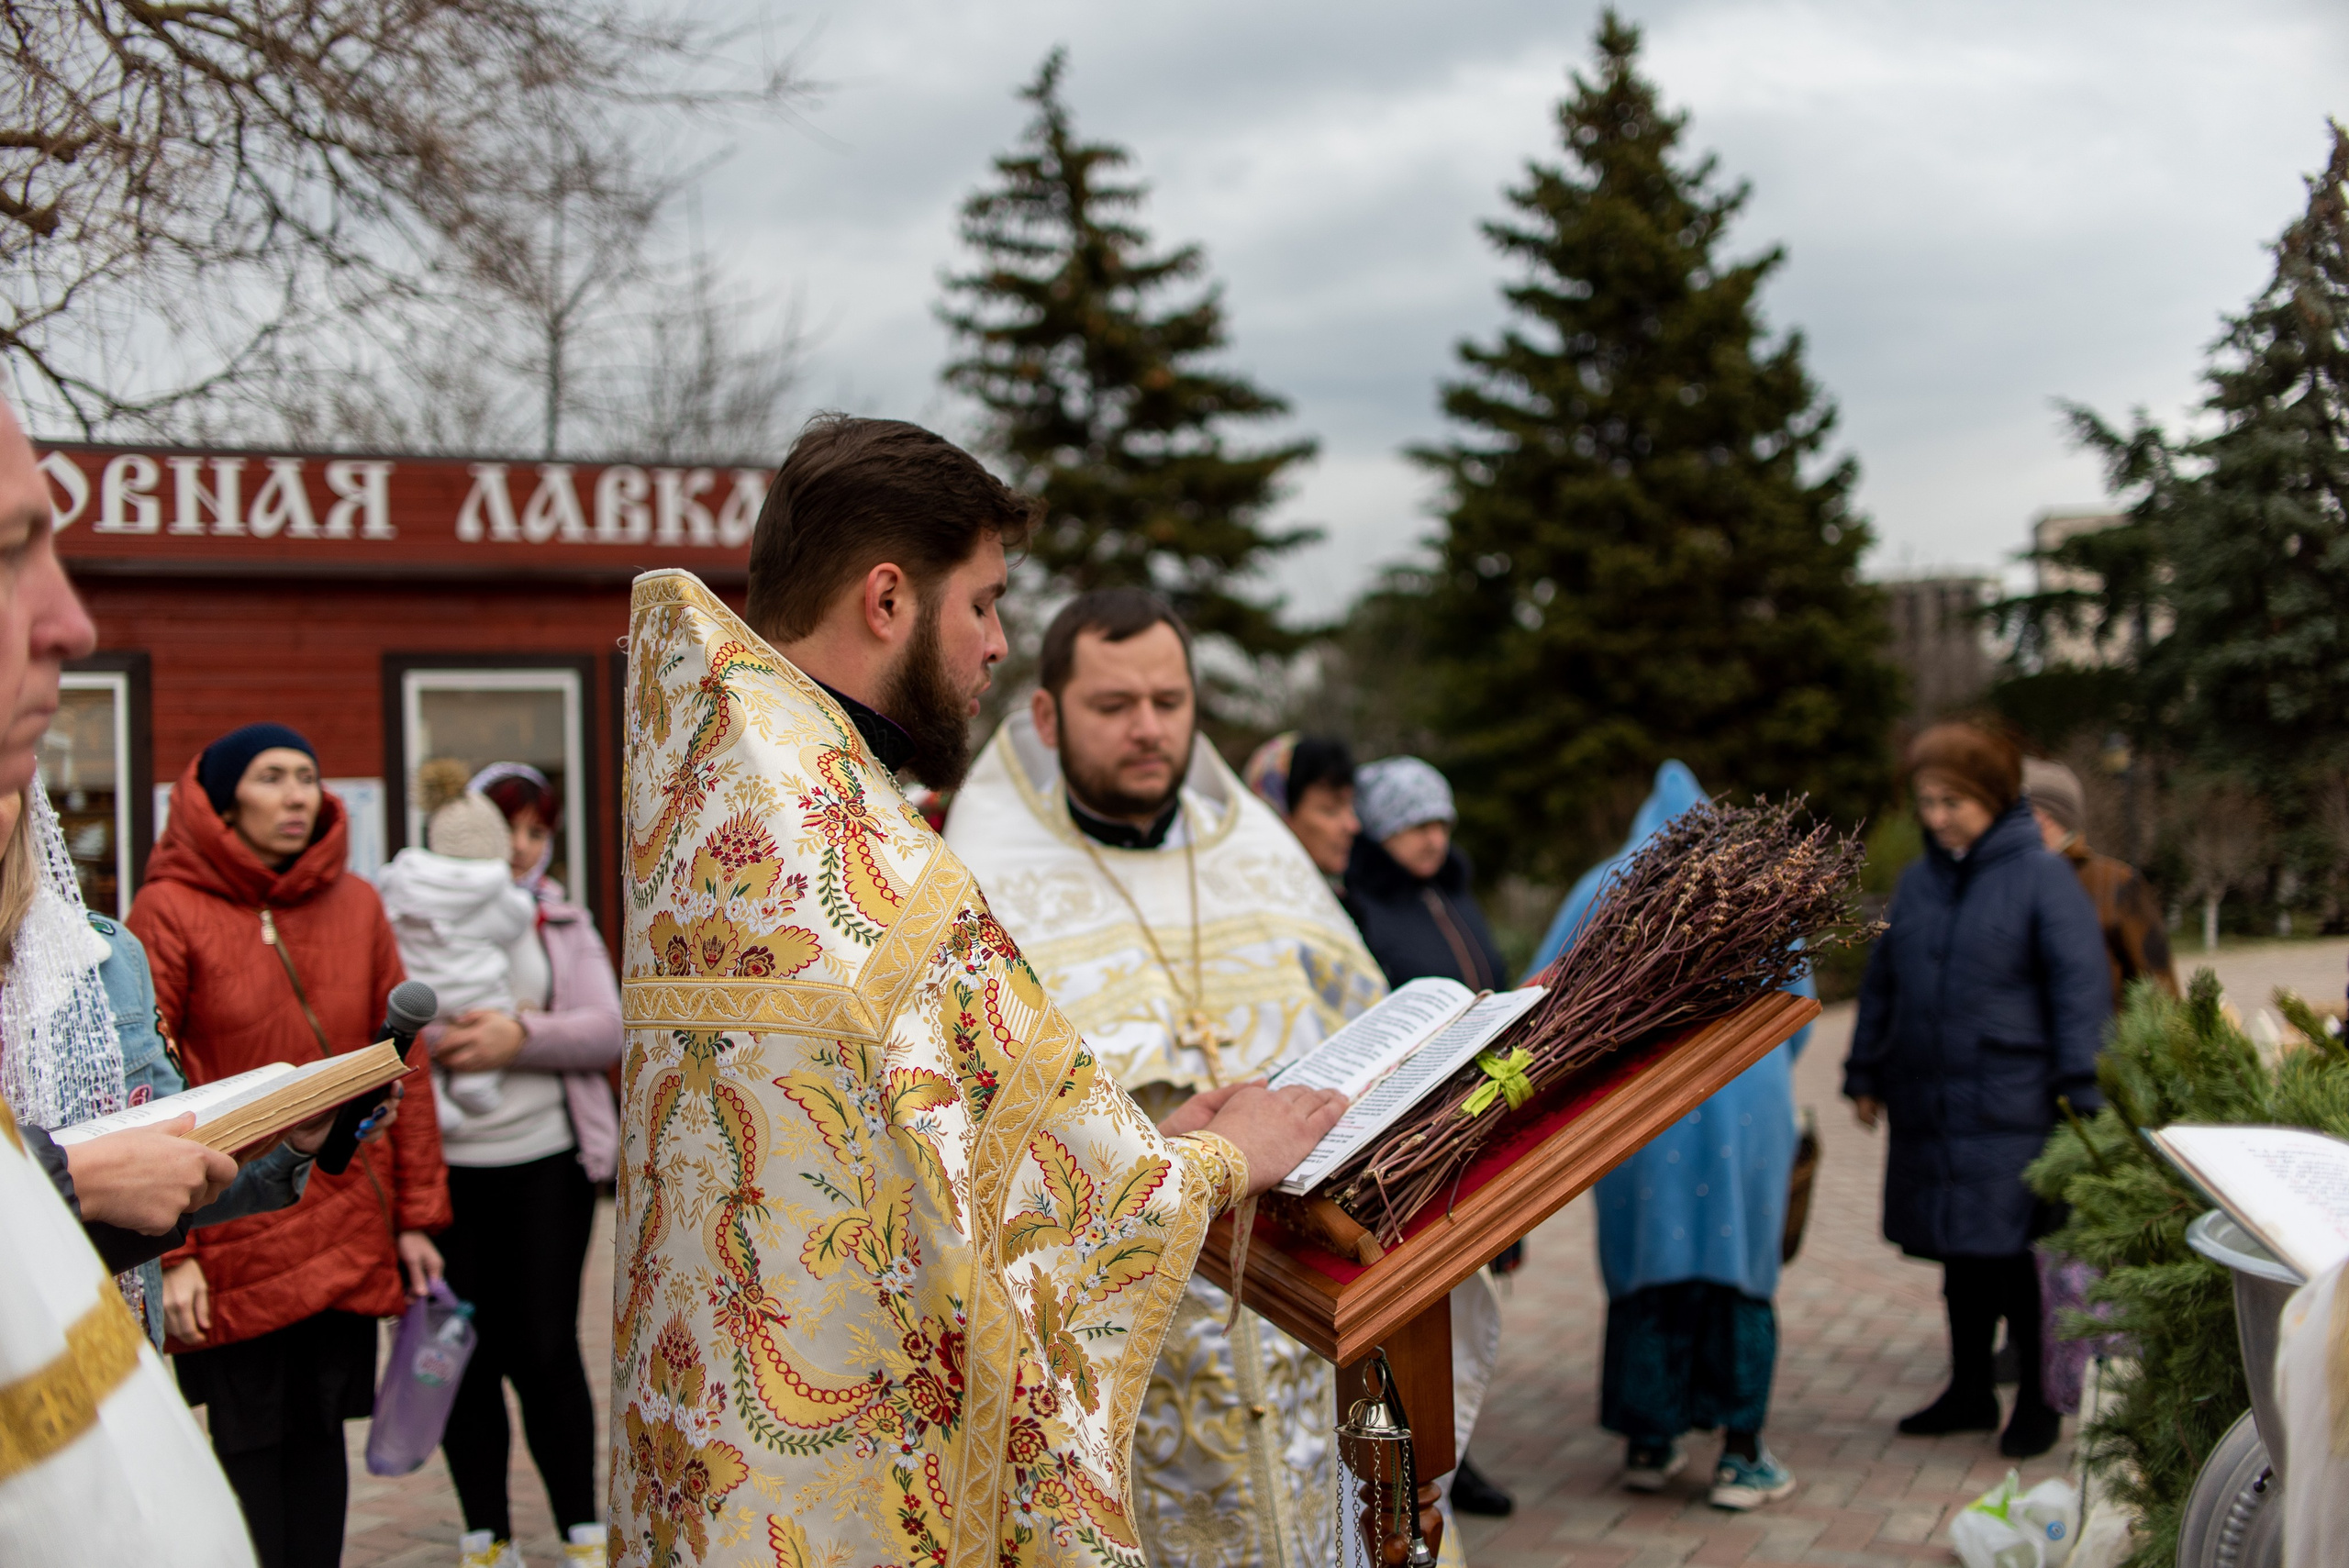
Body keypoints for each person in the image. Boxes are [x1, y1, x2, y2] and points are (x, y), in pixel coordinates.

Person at [610, 414, 1352, 1568]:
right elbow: (998, 1207)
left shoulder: (731, 788)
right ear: (889, 599)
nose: (999, 644)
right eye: (985, 602)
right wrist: (1212, 1160)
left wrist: (1144, 1143)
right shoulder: (857, 857)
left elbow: (911, 1156)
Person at [947, 592, 1387, 1568]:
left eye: (1168, 699)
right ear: (1049, 717)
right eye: (1113, 705)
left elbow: (1372, 1033)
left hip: (1309, 1339)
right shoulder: (980, 893)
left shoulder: (1264, 867)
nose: (1148, 727)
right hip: (1128, 1366)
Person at [0, 388, 259, 1565]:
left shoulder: (88, 950)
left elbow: (158, 1114)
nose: (69, 620)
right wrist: (80, 1178)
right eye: (7, 556)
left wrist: (284, 1142)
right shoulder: (160, 914)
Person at [130, 722, 451, 1568]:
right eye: (272, 776)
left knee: (318, 1444)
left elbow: (400, 1065)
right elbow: (136, 1087)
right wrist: (170, 1253)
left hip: (339, 1213)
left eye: (307, 775)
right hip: (227, 1224)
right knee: (246, 1450)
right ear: (224, 799)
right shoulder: (166, 908)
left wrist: (417, 1216)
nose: (296, 793)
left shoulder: (357, 902)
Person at [1528, 762, 1810, 1510]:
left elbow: (1540, 994)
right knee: (1738, 1266)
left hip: (1640, 1111)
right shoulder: (1757, 885)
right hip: (1746, 1101)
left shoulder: (1605, 883)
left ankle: (1649, 1441)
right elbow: (1798, 1006)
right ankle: (1739, 1454)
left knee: (1647, 1261)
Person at [1842, 722, 2110, 1460]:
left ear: (1992, 796)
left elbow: (2080, 992)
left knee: (2016, 1257)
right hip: (1933, 1105)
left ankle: (2037, 1397)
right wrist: (1863, 1071)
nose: (1935, 816)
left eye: (1950, 800)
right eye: (1926, 800)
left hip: (2016, 1106)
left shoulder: (2042, 877)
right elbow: (1884, 981)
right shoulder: (1921, 879)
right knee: (1960, 1256)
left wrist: (2083, 1095)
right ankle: (1967, 1389)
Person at [424, 760, 621, 1568]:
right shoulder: (419, 912)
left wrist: (520, 1036)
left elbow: (607, 1027)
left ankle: (581, 1525)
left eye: (536, 830)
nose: (519, 845)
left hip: (548, 1164)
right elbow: (389, 1022)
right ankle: (486, 1534)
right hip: (444, 1169)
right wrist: (460, 1033)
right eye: (507, 825)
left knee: (543, 1342)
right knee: (459, 1346)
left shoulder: (564, 921)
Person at [1331, 753, 1516, 1523]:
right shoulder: (1364, 907)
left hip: (1485, 1119)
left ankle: (1457, 1443)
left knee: (1479, 1286)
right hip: (1410, 1135)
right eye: (1411, 824)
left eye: (1439, 821)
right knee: (1422, 1296)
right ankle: (1421, 1451)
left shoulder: (1454, 892)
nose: (1430, 837)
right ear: (1380, 829)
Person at [378, 761, 540, 1132]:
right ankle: (475, 1084)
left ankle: (434, 1095)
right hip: (475, 995)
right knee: (492, 1012)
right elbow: (517, 922)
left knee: (414, 1045)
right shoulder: (496, 890)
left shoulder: (405, 878)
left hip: (423, 994)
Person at [2021, 758, 2181, 1006]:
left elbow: (2160, 990)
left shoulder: (2115, 882)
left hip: (2105, 1042)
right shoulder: (2009, 883)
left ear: (2044, 817)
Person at [1344, 756, 1508, 995]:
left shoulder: (1453, 890)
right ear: (1382, 830)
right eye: (1420, 826)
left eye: (1443, 825)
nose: (1438, 841)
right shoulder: (1358, 909)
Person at [1241, 730, 1362, 887]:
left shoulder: (1346, 903)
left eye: (1351, 808)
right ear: (1276, 815)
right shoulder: (1245, 902)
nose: (1353, 826)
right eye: (1330, 810)